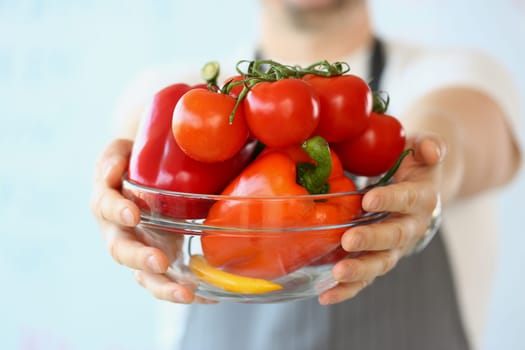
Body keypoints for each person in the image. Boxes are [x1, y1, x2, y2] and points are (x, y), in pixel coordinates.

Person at [91, 0, 522, 349]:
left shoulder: (457, 73)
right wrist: (135, 208)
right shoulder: (182, 90)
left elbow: (458, 129)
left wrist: (430, 167)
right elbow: (139, 148)